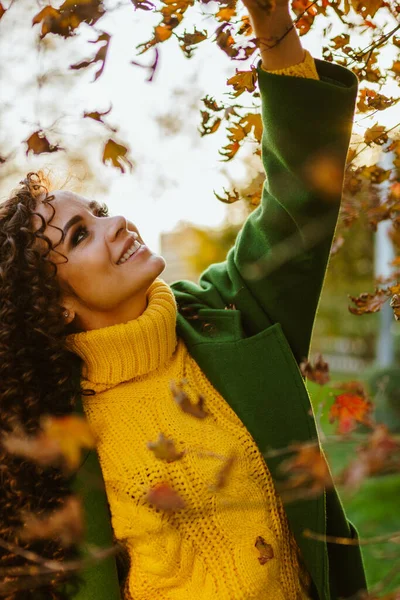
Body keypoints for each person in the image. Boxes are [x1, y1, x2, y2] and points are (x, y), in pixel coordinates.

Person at [0, 0, 367, 598]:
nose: (114, 222)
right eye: (79, 234)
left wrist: (270, 22)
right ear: (53, 306)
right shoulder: (47, 444)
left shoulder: (225, 316)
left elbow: (300, 201)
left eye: (95, 211)